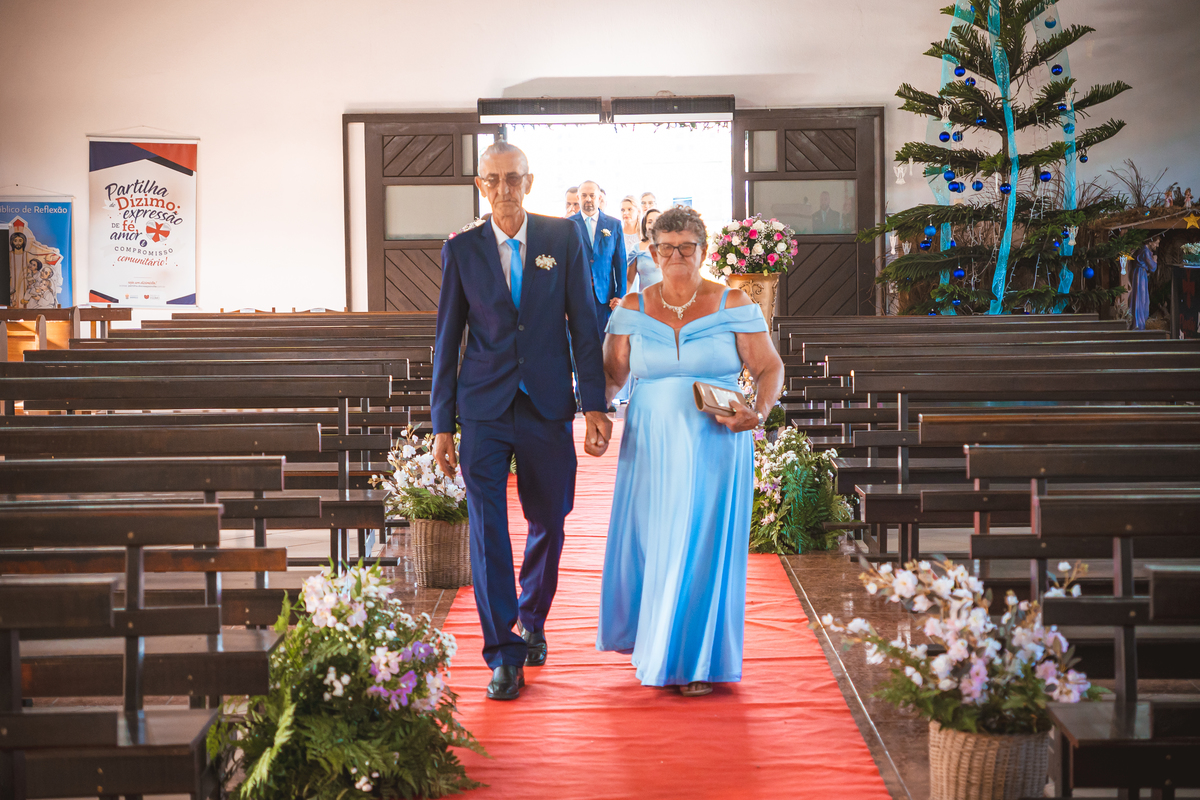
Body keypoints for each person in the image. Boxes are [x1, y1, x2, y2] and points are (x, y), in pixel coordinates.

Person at [432, 141, 613, 702]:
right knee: (487, 529)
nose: (503, 189)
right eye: (493, 180)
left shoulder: (562, 238)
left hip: (546, 402)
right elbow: (447, 339)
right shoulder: (462, 249)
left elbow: (584, 324)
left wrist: (595, 403)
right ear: (480, 186)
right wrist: (442, 423)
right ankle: (503, 653)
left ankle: (532, 617)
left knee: (549, 518)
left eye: (513, 179)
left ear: (529, 183)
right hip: (483, 408)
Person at [596, 205, 784, 697]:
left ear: (703, 250)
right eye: (666, 247)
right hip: (650, 444)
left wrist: (758, 411)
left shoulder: (733, 302)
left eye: (686, 247)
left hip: (714, 442)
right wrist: (596, 413)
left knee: (700, 543)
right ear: (652, 252)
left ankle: (697, 660)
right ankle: (656, 644)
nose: (676, 255)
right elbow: (612, 375)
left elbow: (769, 367)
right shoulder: (631, 308)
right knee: (654, 540)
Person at [569, 180, 628, 340]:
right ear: (578, 197)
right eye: (584, 195)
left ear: (599, 197)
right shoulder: (568, 224)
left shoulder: (614, 224)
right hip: (577, 296)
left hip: (605, 296)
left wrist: (620, 295)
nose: (588, 199)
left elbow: (620, 263)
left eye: (592, 195)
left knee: (605, 341)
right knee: (579, 342)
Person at [626, 207, 662, 293]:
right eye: (649, 222)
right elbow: (629, 280)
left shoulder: (671, 247)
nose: (653, 225)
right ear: (644, 225)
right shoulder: (636, 248)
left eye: (657, 221)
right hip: (645, 297)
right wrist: (623, 298)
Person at [1131, 237, 1159, 331]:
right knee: (1141, 297)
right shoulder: (1145, 251)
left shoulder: (1146, 250)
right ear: (1150, 242)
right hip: (1140, 275)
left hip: (1142, 274)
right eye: (1156, 243)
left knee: (1143, 298)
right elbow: (1152, 267)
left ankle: (1141, 322)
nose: (1157, 245)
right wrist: (1155, 260)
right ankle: (1138, 324)